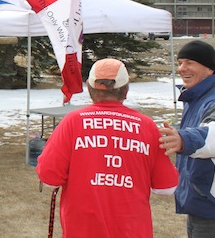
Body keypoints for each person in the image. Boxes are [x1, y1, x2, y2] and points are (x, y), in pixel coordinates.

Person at [36, 58, 178, 237]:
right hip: (132, 231)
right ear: (125, 90)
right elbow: (166, 188)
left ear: (89, 89)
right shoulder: (147, 126)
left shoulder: (72, 122)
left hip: (82, 230)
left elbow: (49, 177)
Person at [159, 40, 215, 237]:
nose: (182, 69)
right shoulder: (195, 97)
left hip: (212, 207)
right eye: (180, 62)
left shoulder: (213, 99)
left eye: (190, 62)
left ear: (210, 68)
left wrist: (183, 140)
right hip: (200, 202)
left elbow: (213, 134)